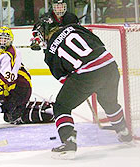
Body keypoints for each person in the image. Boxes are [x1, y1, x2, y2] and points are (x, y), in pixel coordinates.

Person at [32, 21, 133, 159]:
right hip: (109, 65)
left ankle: (69, 143)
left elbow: (64, 78)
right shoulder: (73, 27)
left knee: (61, 106)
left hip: (87, 75)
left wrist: (85, 85)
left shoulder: (49, 53)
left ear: (44, 32)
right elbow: (98, 42)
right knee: (108, 102)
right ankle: (124, 132)